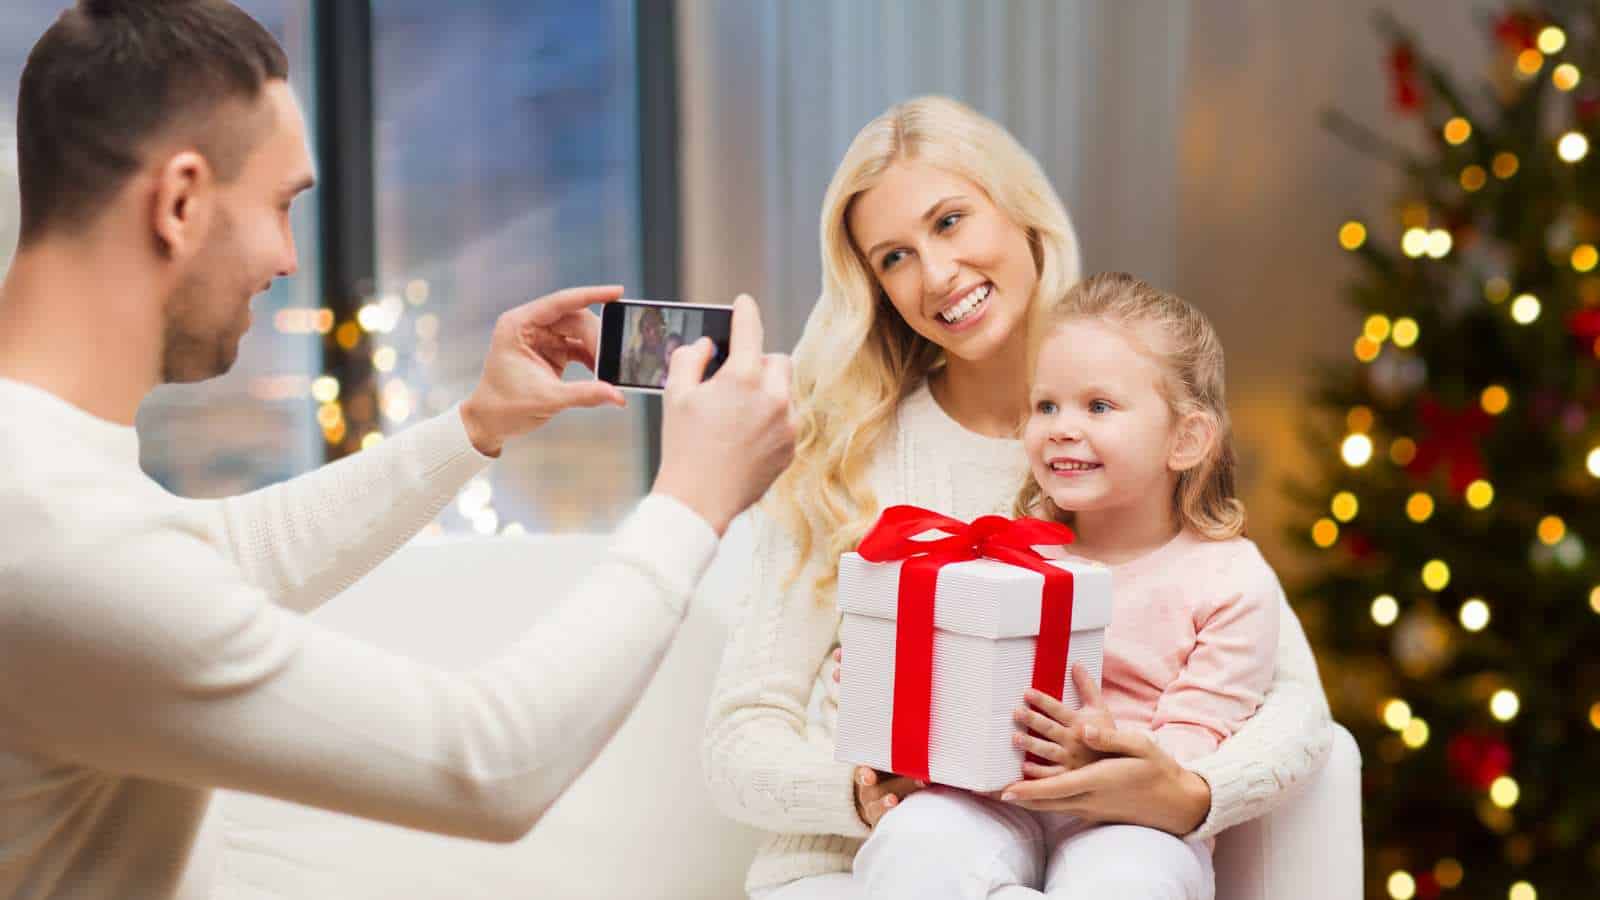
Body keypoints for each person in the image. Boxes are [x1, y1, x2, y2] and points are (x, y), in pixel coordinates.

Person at [0, 2, 793, 898]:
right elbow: (489, 765)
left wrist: (475, 427)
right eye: (279, 205)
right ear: (180, 201)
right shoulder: (54, 537)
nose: (288, 259)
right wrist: (693, 498)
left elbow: (225, 557)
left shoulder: (38, 471)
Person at [701, 96, 1334, 899]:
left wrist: (1185, 793)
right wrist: (863, 789)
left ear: (1023, 214)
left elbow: (1294, 708)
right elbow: (738, 735)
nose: (935, 275)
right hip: (864, 862)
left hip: (1102, 838)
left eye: (951, 221)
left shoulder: (1131, 448)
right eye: (892, 257)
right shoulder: (843, 456)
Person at [850, 272, 1280, 899]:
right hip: (999, 798)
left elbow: (1193, 751)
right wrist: (897, 695)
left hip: (1136, 820)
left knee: (1128, 882)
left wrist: (1107, 762)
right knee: (914, 842)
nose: (1059, 426)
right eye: (1046, 405)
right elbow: (962, 684)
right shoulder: (1009, 549)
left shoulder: (1230, 579)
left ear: (1185, 439)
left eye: (1098, 406)